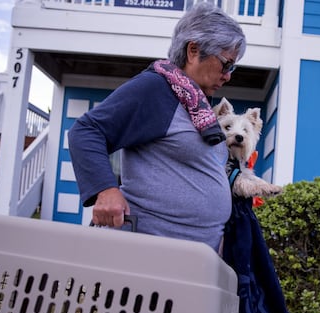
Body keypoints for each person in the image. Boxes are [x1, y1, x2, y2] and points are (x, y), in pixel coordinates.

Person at [67, 2, 246, 254]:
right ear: (193, 50)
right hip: (148, 256)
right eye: (226, 64)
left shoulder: (198, 106)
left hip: (195, 259)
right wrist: (105, 190)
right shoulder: (156, 89)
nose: (228, 75)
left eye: (233, 68)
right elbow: (86, 131)